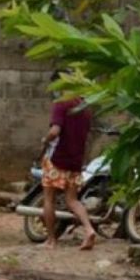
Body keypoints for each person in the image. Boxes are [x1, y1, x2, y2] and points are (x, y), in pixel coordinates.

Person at [40, 74, 96, 250]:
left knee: (48, 198)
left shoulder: (61, 104)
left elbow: (55, 130)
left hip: (57, 159)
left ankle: (51, 240)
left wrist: (45, 140)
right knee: (72, 200)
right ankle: (88, 229)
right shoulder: (84, 107)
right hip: (75, 160)